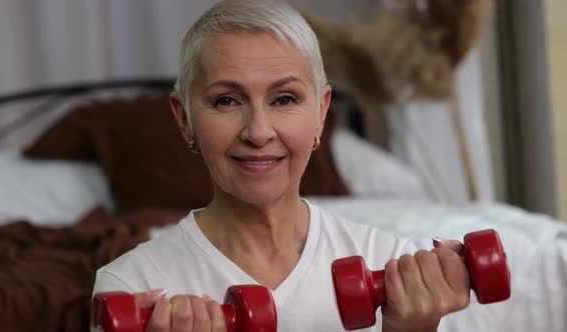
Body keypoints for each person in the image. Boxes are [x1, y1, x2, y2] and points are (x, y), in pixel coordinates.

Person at [92, 0, 470, 331]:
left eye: (284, 99)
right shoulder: (128, 286)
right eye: (226, 101)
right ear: (185, 118)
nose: (258, 132)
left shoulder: (392, 263)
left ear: (321, 113)